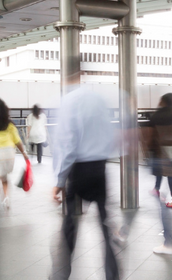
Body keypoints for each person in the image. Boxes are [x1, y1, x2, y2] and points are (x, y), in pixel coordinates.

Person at [49, 83, 119, 280]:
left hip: (79, 170)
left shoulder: (70, 101)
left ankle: (59, 275)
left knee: (70, 223)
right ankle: (113, 275)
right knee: (104, 223)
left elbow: (68, 143)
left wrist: (59, 180)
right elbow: (110, 134)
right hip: (99, 167)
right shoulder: (98, 100)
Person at [145, 93, 172, 209]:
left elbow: (150, 132)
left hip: (161, 150)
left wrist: (148, 147)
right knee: (168, 173)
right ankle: (159, 190)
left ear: (163, 101)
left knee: (164, 172)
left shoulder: (157, 115)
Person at [0, 99, 28, 211]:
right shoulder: (10, 124)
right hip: (9, 154)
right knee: (4, 178)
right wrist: (24, 153)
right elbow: (18, 141)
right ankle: (7, 198)